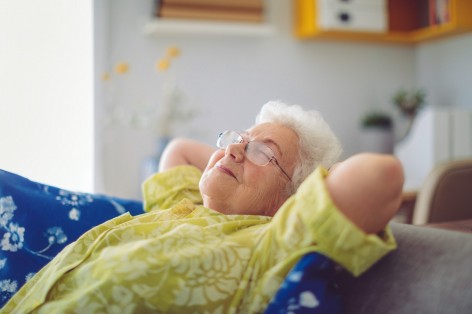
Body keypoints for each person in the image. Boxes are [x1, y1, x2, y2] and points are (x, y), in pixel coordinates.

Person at [1, 101, 404, 313]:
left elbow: (379, 176)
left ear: (293, 199)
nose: (231, 149)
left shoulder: (271, 243)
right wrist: (249, 149)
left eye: (264, 151)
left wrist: (305, 192)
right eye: (234, 139)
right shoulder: (188, 203)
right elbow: (178, 149)